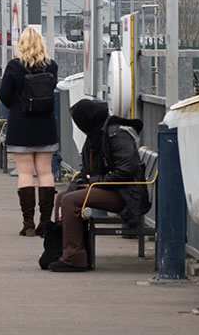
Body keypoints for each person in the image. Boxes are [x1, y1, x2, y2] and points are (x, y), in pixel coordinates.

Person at [48, 98, 150, 272]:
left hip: (126, 193)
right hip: (111, 188)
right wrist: (77, 187)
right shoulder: (95, 136)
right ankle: (61, 250)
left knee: (70, 201)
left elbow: (127, 169)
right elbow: (85, 171)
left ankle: (74, 258)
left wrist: (95, 182)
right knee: (62, 198)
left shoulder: (116, 134)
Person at [0, 26, 59, 237]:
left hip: (21, 124)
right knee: (45, 172)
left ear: (21, 45)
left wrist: (16, 103)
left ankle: (28, 223)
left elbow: (5, 96)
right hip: (45, 125)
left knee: (25, 173)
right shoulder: (51, 66)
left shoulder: (15, 66)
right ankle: (46, 222)